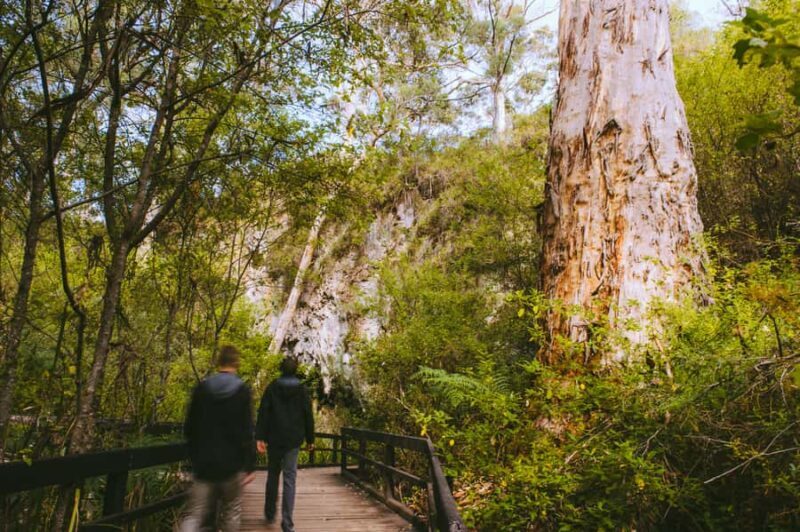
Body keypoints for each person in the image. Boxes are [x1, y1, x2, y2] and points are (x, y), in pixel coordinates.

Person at [180, 345, 256, 532]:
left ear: (218, 362)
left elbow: (189, 428)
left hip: (204, 463)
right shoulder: (242, 391)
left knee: (194, 513)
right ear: (236, 363)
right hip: (232, 464)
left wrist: (193, 456)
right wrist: (249, 465)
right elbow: (247, 431)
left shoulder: (202, 389)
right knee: (231, 511)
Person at [255, 356, 315, 532]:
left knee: (273, 475)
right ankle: (287, 523)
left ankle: (269, 512)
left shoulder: (272, 387)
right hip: (293, 441)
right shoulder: (302, 390)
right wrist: (310, 440)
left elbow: (264, 412)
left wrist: (260, 437)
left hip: (274, 439)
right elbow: (308, 415)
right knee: (290, 479)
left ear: (281, 369)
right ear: (296, 370)